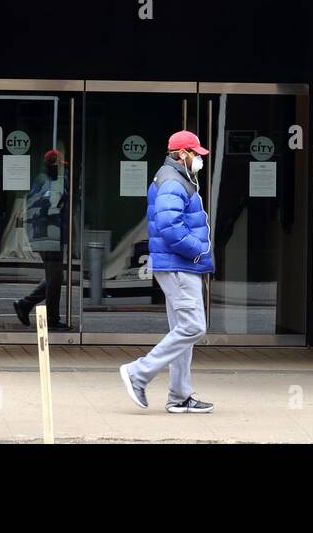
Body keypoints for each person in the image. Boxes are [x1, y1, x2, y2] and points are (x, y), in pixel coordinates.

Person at [120, 131, 215, 414]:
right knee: (194, 327)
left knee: (181, 330)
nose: (199, 159)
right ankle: (138, 372)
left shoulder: (173, 178)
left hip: (177, 264)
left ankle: (180, 396)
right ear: (182, 154)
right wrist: (197, 250)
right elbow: (170, 226)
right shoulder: (173, 181)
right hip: (179, 265)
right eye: (195, 154)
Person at [14, 149, 69, 330]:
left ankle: (25, 304)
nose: (63, 169)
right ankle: (51, 319)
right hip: (48, 234)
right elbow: (51, 205)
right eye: (60, 165)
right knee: (55, 278)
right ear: (54, 165)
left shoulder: (44, 181)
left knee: (54, 276)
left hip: (50, 233)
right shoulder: (49, 182)